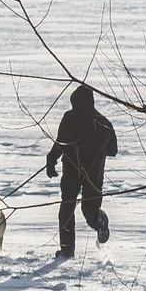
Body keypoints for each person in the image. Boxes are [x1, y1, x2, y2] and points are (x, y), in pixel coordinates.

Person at [44, 84, 117, 259]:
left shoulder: (70, 118)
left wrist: (51, 160)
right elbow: (113, 150)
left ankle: (67, 250)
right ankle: (98, 219)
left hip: (72, 172)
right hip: (94, 175)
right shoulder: (104, 123)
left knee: (67, 210)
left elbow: (61, 142)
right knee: (89, 208)